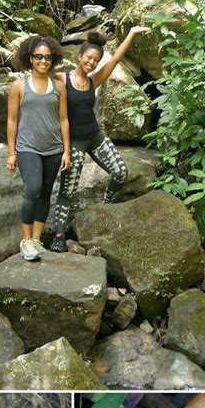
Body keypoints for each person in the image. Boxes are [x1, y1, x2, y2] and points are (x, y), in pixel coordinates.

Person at [50, 25, 150, 252]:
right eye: (89, 58)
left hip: (94, 136)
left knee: (120, 172)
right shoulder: (60, 78)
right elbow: (40, 74)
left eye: (96, 60)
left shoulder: (94, 80)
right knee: (68, 190)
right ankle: (58, 235)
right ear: (79, 56)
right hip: (73, 142)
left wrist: (132, 33)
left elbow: (115, 60)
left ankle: (105, 205)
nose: (92, 63)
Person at [7, 35, 70, 260]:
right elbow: (12, 120)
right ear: (30, 58)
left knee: (45, 194)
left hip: (53, 148)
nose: (43, 61)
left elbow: (64, 119)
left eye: (47, 57)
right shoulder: (18, 86)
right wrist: (12, 152)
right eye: (38, 56)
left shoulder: (60, 87)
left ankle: (36, 239)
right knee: (32, 189)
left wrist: (67, 151)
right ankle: (25, 241)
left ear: (53, 59)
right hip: (28, 148)